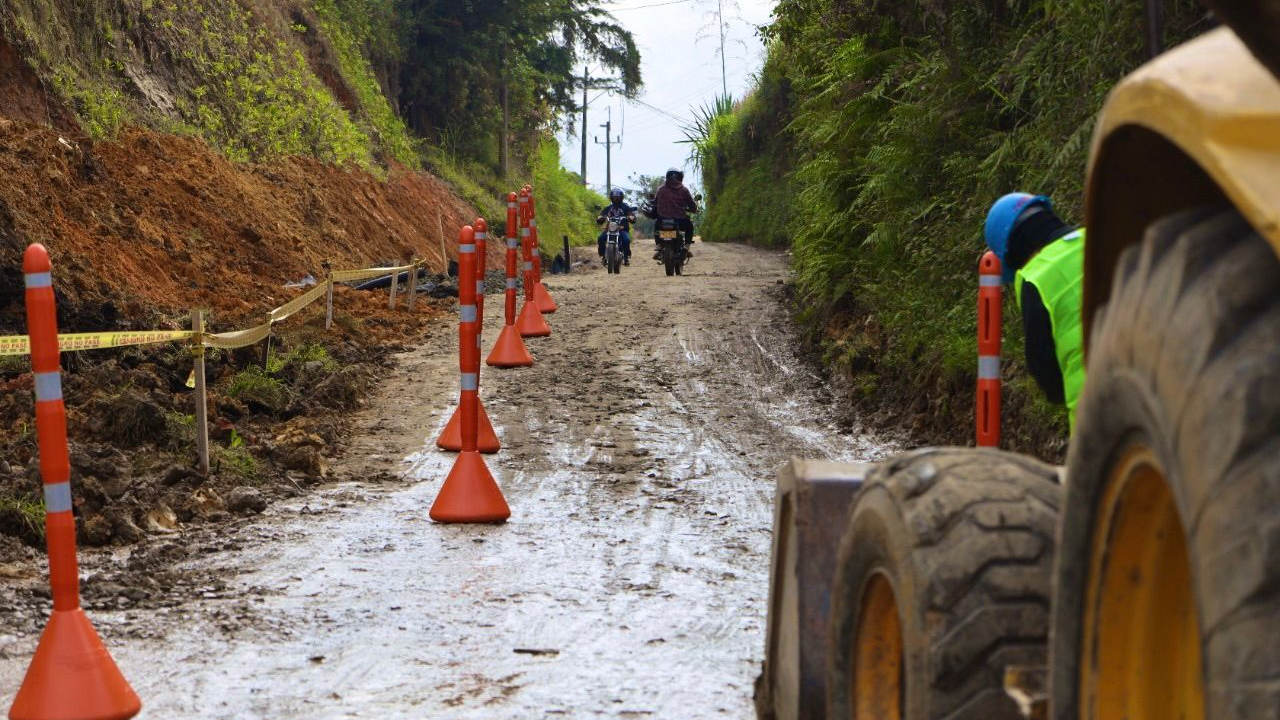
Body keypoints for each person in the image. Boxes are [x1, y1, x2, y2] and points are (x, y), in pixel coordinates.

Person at [983, 192, 1086, 430]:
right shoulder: (1103, 237)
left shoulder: (1035, 278)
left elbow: (1044, 368)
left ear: (1014, 251)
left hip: (1097, 415)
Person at [652, 167, 698, 259]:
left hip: (663, 220)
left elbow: (655, 203)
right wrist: (693, 209)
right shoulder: (684, 190)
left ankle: (659, 245)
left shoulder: (660, 189)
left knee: (657, 225)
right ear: (680, 177)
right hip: (680, 220)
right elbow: (692, 205)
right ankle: (686, 247)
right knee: (689, 226)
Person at [597, 188, 636, 265]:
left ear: (621, 197)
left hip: (622, 229)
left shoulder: (625, 207)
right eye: (614, 197)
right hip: (610, 229)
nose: (616, 199)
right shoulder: (608, 208)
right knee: (601, 238)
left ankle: (626, 257)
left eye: (618, 197)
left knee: (626, 240)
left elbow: (630, 214)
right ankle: (603, 256)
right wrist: (600, 217)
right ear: (611, 198)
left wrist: (631, 217)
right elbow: (602, 214)